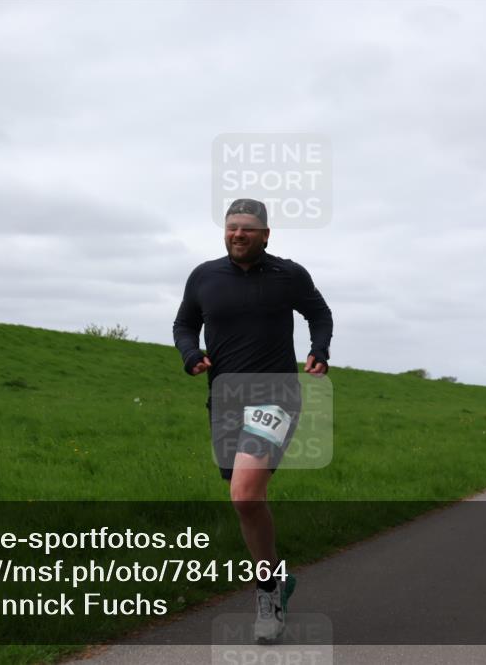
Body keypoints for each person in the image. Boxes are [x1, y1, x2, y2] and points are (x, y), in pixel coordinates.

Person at [173, 198, 333, 643]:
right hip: (225, 400)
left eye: (247, 228)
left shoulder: (289, 275)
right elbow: (184, 324)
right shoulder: (204, 277)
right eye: (231, 228)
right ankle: (276, 580)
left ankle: (265, 594)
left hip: (275, 396)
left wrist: (320, 348)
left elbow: (319, 313)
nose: (237, 234)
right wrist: (190, 354)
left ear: (265, 233)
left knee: (244, 496)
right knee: (245, 500)